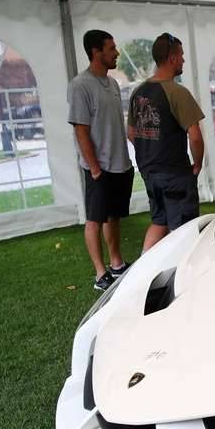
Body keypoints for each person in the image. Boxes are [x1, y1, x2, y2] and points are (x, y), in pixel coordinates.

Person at [67, 29, 135, 291]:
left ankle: (116, 264)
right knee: (95, 220)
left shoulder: (114, 83)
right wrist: (94, 168)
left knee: (114, 217)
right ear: (96, 52)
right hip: (99, 168)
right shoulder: (80, 85)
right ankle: (99, 274)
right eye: (111, 48)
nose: (116, 52)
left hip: (120, 164)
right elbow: (80, 130)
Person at [128, 32, 205, 252]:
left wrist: (151, 152)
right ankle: (184, 276)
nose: (183, 60)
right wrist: (197, 165)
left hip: (149, 172)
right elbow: (195, 136)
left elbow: (131, 133)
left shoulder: (138, 92)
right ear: (171, 59)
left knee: (159, 221)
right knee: (185, 231)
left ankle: (142, 271)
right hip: (175, 174)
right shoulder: (178, 92)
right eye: (180, 55)